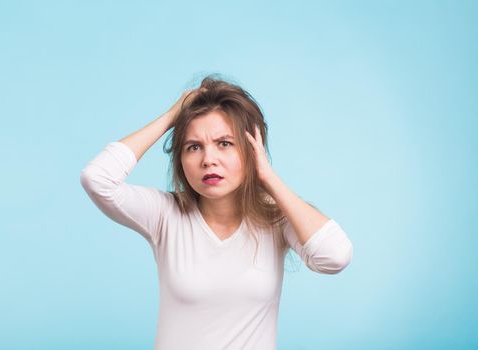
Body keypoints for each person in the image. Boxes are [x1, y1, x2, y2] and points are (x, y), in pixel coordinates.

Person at [80, 76, 353, 350]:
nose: (208, 159)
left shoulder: (277, 218)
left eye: (224, 143)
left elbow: (335, 257)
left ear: (251, 151)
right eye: (194, 146)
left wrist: (269, 178)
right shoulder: (165, 214)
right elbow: (97, 179)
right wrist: (172, 116)